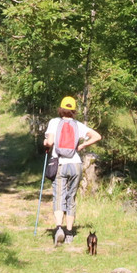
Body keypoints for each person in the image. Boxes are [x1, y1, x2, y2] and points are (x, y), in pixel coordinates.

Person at [43, 95, 101, 245]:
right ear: (74, 110)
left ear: (60, 109)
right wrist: (82, 146)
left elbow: (49, 142)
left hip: (60, 164)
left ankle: (59, 228)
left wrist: (45, 142)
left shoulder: (54, 122)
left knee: (59, 196)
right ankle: (69, 233)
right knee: (71, 197)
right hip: (76, 164)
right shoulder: (78, 125)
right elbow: (97, 136)